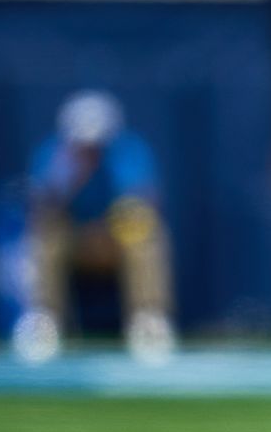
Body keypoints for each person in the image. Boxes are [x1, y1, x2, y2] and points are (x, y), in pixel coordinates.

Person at [12, 89, 176, 363]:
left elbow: (142, 199)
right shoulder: (54, 153)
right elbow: (43, 203)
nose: (90, 149)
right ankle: (44, 321)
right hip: (74, 238)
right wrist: (72, 175)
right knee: (46, 231)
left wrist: (111, 224)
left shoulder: (127, 151)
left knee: (143, 229)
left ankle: (148, 320)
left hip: (113, 238)